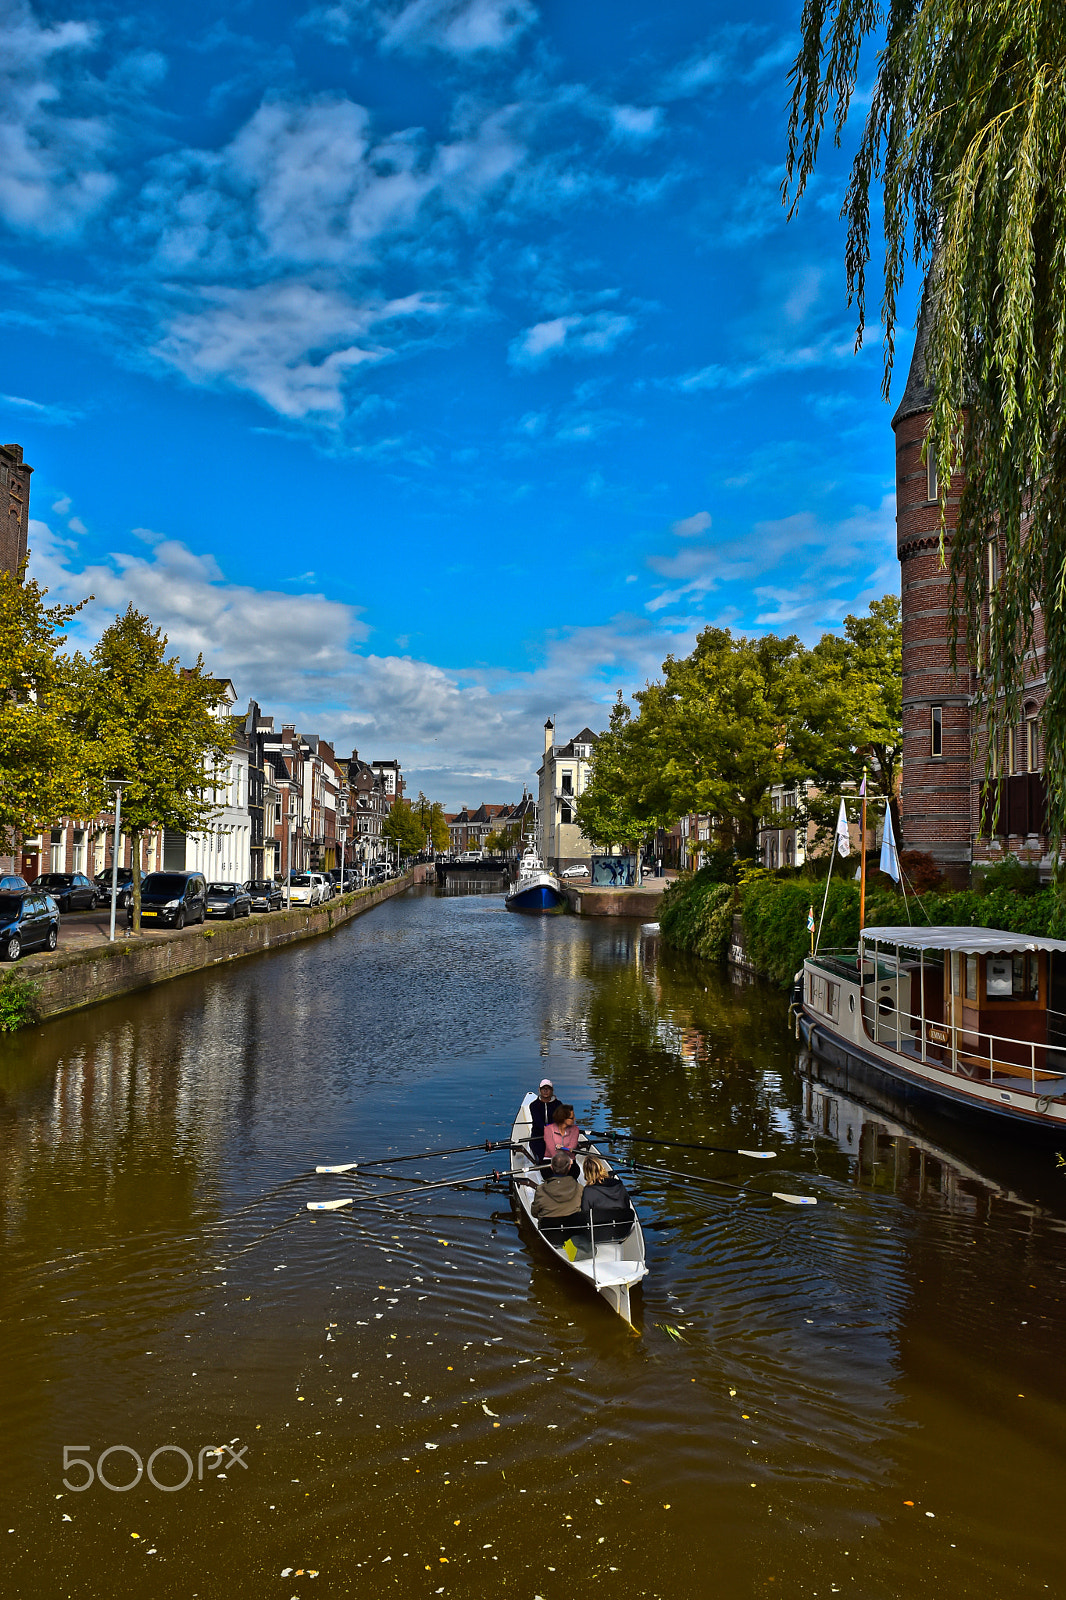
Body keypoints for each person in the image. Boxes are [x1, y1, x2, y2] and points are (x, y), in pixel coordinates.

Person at [530, 1153, 586, 1244]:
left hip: (549, 1232)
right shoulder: (580, 1188)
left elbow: (534, 1213)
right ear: (569, 1168)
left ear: (551, 1168)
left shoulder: (540, 1190)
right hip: (572, 1232)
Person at [580, 1154, 635, 1242]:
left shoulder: (588, 1191)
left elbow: (585, 1214)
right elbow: (626, 1205)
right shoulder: (619, 1184)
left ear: (586, 1173)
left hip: (600, 1232)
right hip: (621, 1229)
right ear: (601, 1167)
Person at [528, 1079, 561, 1163]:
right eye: (543, 1088)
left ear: (552, 1091)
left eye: (548, 1088)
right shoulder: (534, 1105)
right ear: (539, 1090)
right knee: (544, 1157)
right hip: (538, 1137)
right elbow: (538, 1122)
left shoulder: (558, 1105)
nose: (545, 1091)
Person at [543, 1104, 582, 1168]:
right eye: (572, 1118)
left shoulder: (575, 1129)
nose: (575, 1119)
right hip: (550, 1159)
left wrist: (561, 1149)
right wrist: (564, 1150)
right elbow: (552, 1150)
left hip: (569, 1159)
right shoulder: (548, 1129)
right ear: (563, 1118)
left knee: (575, 1171)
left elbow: (572, 1148)